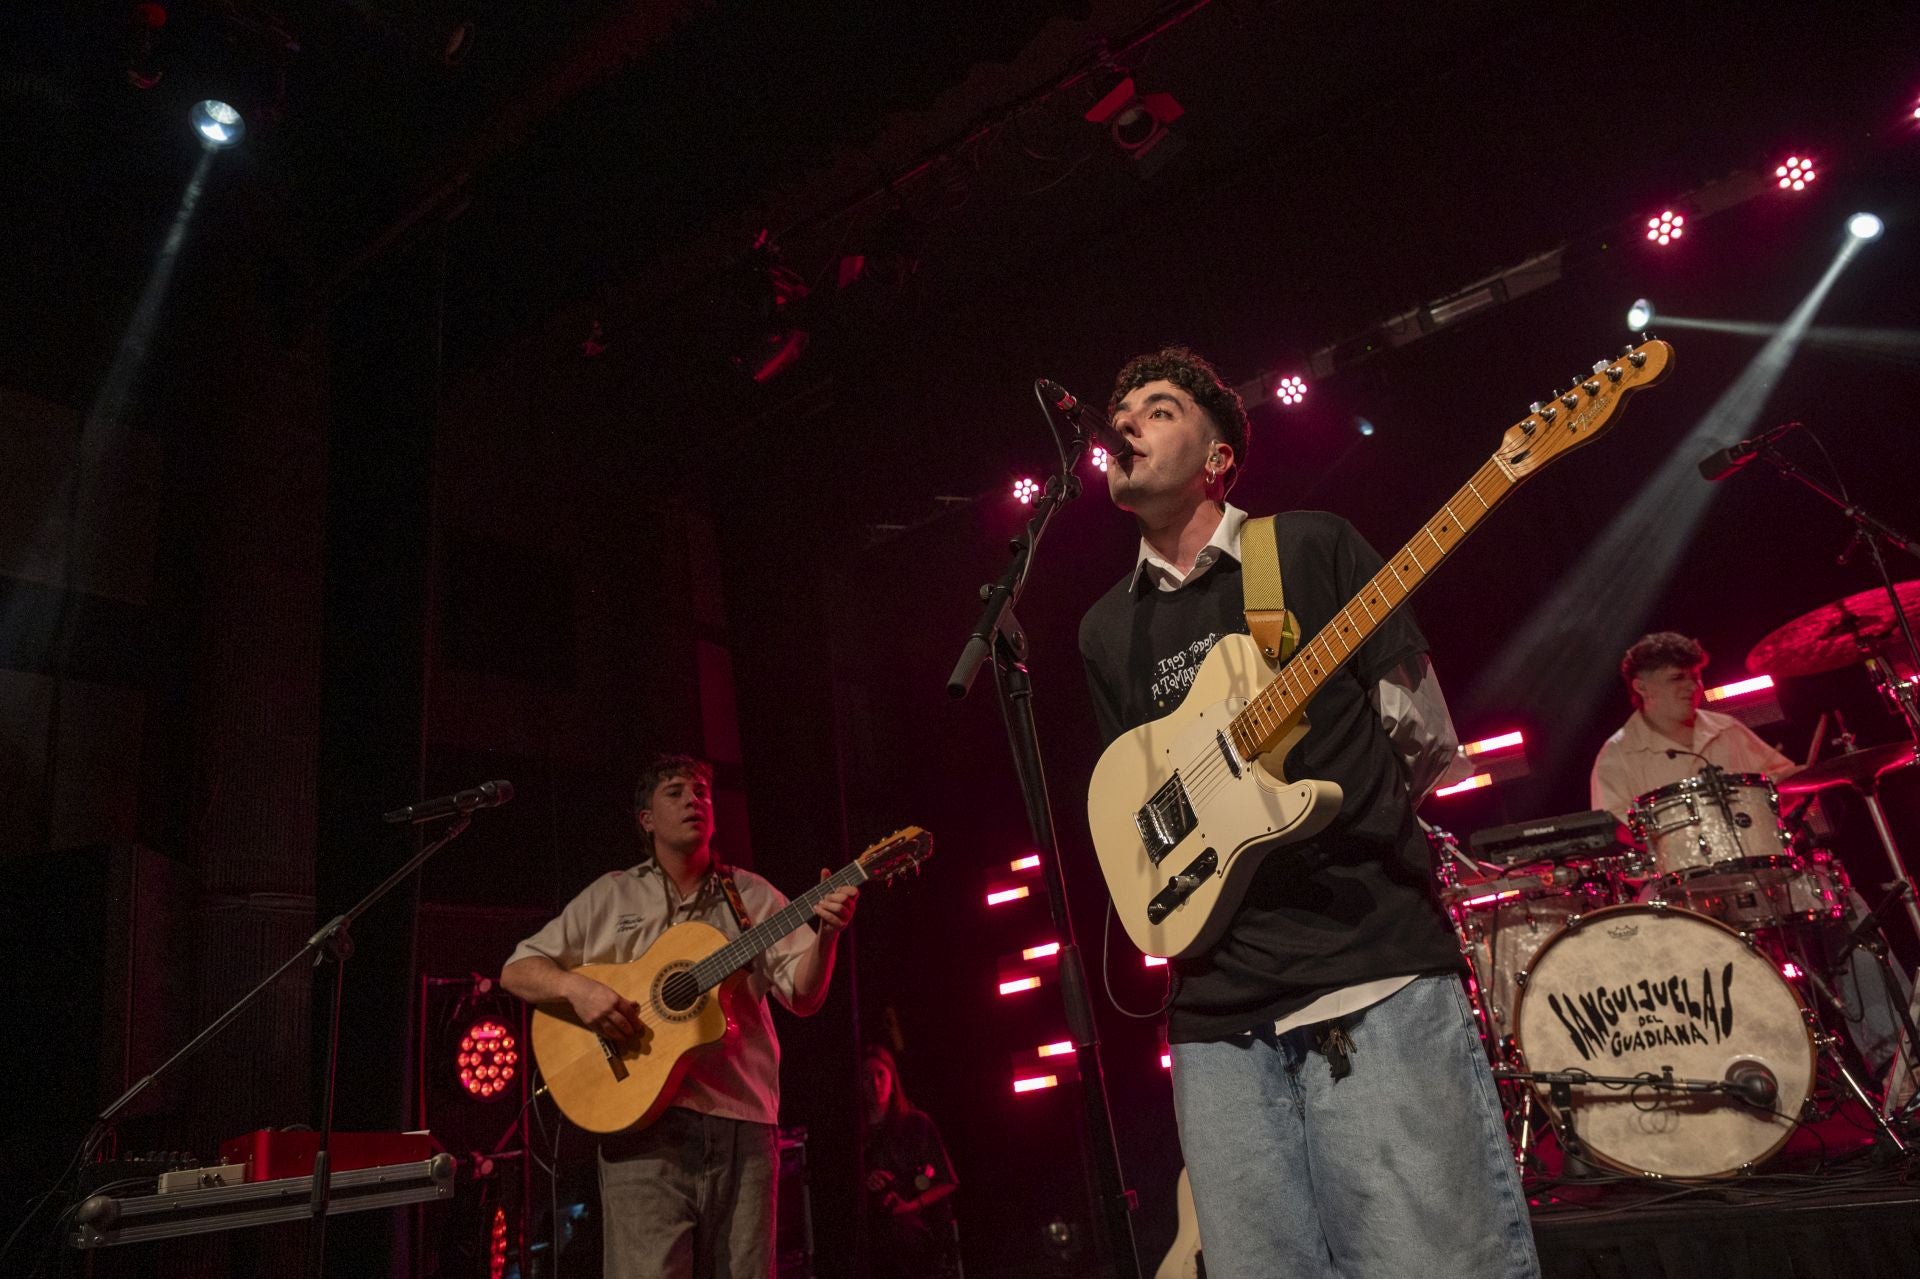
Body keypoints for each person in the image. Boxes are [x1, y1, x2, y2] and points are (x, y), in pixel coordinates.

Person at [1077, 346, 1538, 1278]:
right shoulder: (1104, 629)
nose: (1125, 422)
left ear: (1218, 456)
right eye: (1119, 411)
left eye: (1158, 409)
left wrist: (1310, 814)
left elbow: (1420, 735)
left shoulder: (1310, 546)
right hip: (1214, 1015)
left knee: (1438, 1261)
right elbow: (1146, 791)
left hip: (1367, 966)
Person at [501, 754, 858, 1279]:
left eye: (702, 791)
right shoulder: (614, 893)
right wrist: (578, 990)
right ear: (645, 818)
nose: (695, 799)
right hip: (642, 1131)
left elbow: (804, 999)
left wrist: (828, 935)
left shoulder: (753, 897)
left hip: (743, 1125)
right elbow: (517, 969)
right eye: (676, 791)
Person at [1589, 631, 1803, 821]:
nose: (1692, 687)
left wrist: (1790, 782)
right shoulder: (1617, 756)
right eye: (1677, 678)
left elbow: (1784, 785)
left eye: (1696, 677)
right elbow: (1616, 834)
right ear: (1642, 687)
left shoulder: (1727, 728)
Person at [861, 1043, 961, 1279]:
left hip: (917, 1221)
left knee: (903, 1236)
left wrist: (912, 1205)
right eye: (866, 1077)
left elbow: (946, 1180)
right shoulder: (855, 1134)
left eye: (880, 1074)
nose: (875, 1084)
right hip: (874, 1226)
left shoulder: (916, 1124)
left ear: (892, 1079)